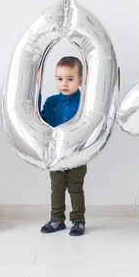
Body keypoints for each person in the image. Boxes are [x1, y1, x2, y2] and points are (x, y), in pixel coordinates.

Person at [39, 56, 87, 236]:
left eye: (70, 79)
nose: (64, 84)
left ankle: (78, 221)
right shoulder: (51, 102)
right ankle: (57, 219)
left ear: (80, 81)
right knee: (57, 187)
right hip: (56, 154)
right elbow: (41, 122)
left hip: (77, 154)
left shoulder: (86, 103)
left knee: (75, 187)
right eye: (60, 79)